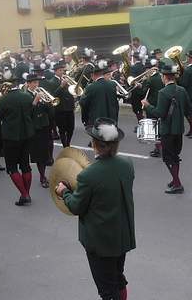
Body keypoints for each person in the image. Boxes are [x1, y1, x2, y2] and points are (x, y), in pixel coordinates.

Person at [55, 118, 135, 300]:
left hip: (100, 241)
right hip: (121, 235)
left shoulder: (88, 175)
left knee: (106, 290)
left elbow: (76, 206)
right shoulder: (127, 165)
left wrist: (65, 192)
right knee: (118, 278)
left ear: (95, 145)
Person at [141, 64, 192, 194]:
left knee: (168, 158)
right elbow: (189, 110)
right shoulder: (182, 90)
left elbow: (160, 113)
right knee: (175, 156)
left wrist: (147, 106)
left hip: (167, 130)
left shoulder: (163, 92)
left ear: (164, 77)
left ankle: (177, 183)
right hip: (178, 129)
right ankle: (175, 180)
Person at [0, 72, 36, 206]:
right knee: (25, 165)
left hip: (11, 137)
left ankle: (24, 194)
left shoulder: (4, 99)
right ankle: (26, 194)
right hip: (27, 134)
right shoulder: (27, 96)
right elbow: (31, 112)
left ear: (7, 84)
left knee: (12, 167)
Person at [26, 74, 53, 188]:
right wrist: (35, 101)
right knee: (39, 154)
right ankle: (42, 176)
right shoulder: (25, 96)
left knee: (45, 151)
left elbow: (49, 111)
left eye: (37, 82)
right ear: (28, 84)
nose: (37, 85)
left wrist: (48, 102)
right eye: (34, 83)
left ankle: (43, 174)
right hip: (34, 128)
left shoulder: (41, 93)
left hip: (44, 125)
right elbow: (27, 114)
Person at [79, 60, 120, 128]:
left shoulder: (90, 87)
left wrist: (85, 119)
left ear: (92, 75)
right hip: (111, 119)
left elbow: (83, 103)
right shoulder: (113, 84)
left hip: (96, 120)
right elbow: (115, 103)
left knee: (97, 138)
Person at [48, 62, 75, 147]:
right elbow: (53, 95)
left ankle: (68, 143)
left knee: (71, 128)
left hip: (70, 108)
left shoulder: (66, 79)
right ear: (55, 71)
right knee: (62, 130)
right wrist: (61, 86)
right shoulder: (51, 82)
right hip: (60, 109)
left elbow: (72, 91)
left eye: (63, 70)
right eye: (60, 70)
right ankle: (65, 145)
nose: (62, 72)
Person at [178, 50, 192, 139]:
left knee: (189, 113)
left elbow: (184, 83)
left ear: (190, 58)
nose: (186, 58)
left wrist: (178, 77)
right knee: (189, 112)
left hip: (188, 94)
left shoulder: (188, 70)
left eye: (187, 57)